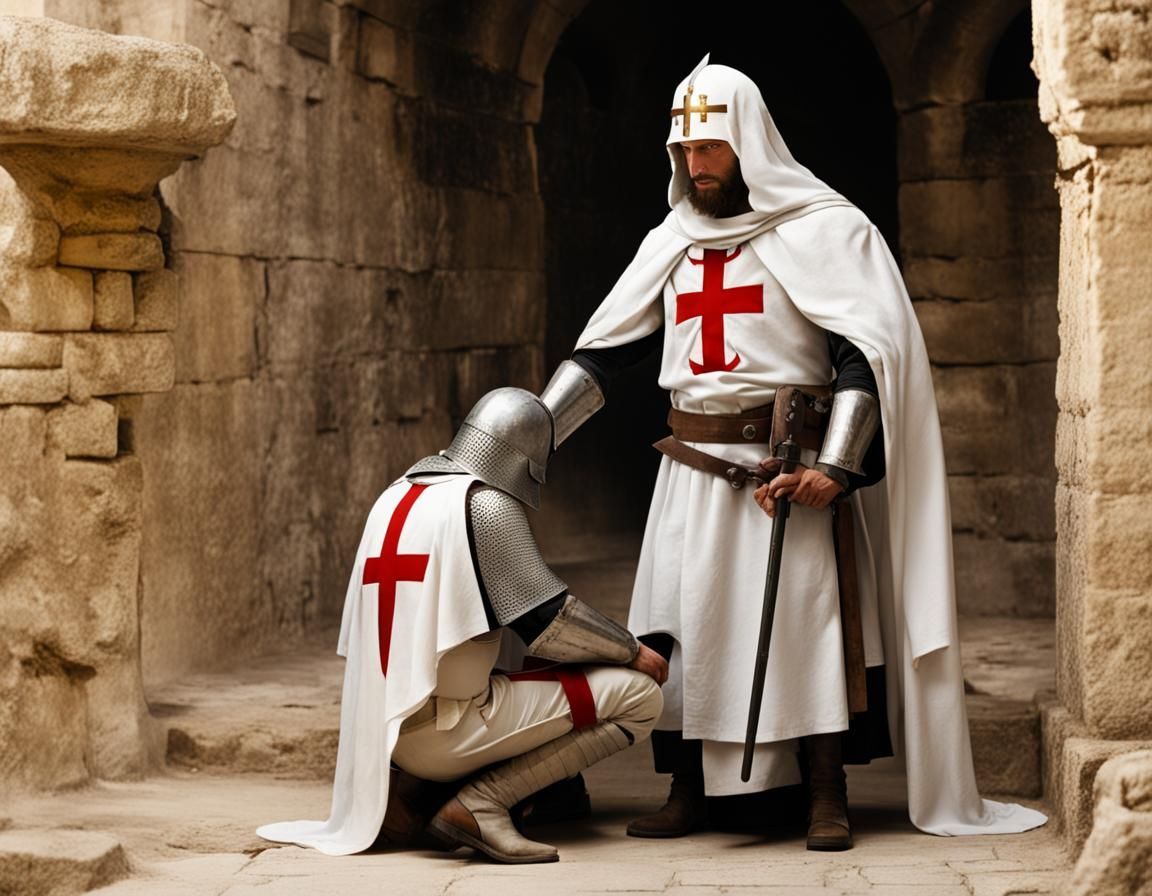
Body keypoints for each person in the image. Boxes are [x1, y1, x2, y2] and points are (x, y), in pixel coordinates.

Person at [538, 55, 1046, 849]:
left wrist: (833, 469)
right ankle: (689, 789)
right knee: (681, 623)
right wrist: (528, 434)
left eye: (710, 148)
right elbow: (606, 350)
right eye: (683, 151)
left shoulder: (824, 230)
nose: (695, 166)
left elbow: (864, 356)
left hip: (785, 472)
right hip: (690, 470)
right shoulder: (671, 241)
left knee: (806, 631)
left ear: (747, 140)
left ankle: (825, 792)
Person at [257, 388, 667, 863]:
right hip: (445, 732)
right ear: (525, 457)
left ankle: (410, 799)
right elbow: (547, 621)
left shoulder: (399, 492)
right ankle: (482, 805)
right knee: (639, 697)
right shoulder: (485, 504)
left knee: (511, 658)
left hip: (385, 732)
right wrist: (629, 649)